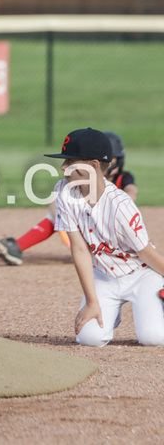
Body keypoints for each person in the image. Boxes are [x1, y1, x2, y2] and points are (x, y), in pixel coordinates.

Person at [46, 128, 164, 346]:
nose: (63, 168)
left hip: (142, 275)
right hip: (104, 275)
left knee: (153, 338)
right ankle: (109, 310)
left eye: (70, 162)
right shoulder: (64, 191)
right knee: (89, 338)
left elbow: (146, 251)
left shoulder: (121, 205)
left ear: (92, 166)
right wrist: (92, 302)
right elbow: (79, 249)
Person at [0, 130, 137, 265]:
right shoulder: (78, 180)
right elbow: (55, 200)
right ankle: (17, 247)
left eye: (113, 160)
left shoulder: (122, 178)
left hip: (108, 230)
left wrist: (117, 206)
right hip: (85, 226)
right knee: (55, 217)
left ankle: (103, 252)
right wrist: (58, 216)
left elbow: (131, 191)